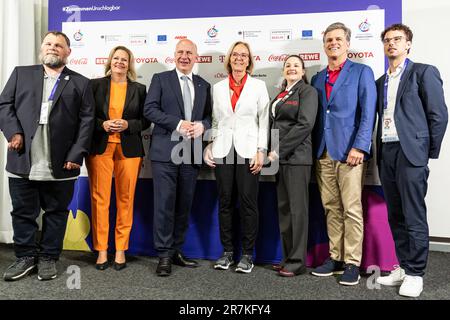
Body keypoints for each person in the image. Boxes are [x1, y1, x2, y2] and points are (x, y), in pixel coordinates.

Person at [0, 31, 94, 281]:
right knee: (22, 212)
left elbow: (87, 122)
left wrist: (76, 153)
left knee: (56, 212)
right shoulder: (22, 73)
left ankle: (49, 258)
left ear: (68, 52)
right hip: (23, 158)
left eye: (59, 45)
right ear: (42, 48)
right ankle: (25, 257)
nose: (53, 48)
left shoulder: (81, 83)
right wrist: (14, 133)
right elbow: (4, 106)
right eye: (49, 44)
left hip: (63, 162)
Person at [374, 24, 448, 297]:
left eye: (397, 39)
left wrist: (425, 151)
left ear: (408, 45)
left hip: (411, 153)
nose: (391, 44)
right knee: (395, 214)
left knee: (414, 214)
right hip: (387, 151)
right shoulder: (380, 81)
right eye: (387, 40)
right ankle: (404, 267)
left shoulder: (423, 72)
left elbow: (439, 115)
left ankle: (416, 273)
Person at [310, 22, 377, 285]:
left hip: (350, 152)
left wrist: (360, 146)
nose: (333, 43)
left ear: (348, 43)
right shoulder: (317, 78)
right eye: (328, 40)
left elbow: (368, 112)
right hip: (323, 151)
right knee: (331, 207)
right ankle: (335, 257)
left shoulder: (362, 72)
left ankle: (352, 262)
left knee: (351, 208)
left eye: (338, 39)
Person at [144, 39, 212, 276]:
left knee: (184, 206)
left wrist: (203, 126)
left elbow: (209, 117)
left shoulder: (204, 85)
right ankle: (163, 255)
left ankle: (175, 250)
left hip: (192, 154)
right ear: (174, 55)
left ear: (196, 57)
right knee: (164, 205)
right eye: (181, 52)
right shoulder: (160, 79)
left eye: (189, 53)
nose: (185, 56)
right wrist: (178, 123)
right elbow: (149, 110)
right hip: (165, 153)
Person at [204, 41, 269, 274]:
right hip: (223, 150)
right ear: (229, 59)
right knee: (225, 202)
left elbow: (264, 121)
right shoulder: (218, 87)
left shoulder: (259, 86)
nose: (239, 58)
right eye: (235, 55)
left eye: (244, 55)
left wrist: (261, 150)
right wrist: (210, 143)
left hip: (249, 152)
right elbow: (214, 120)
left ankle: (248, 254)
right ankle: (228, 252)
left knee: (249, 203)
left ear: (249, 60)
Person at [87, 46, 150, 271]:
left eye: (124, 59)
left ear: (129, 64)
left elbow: (145, 121)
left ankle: (121, 249)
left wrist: (128, 124)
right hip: (100, 148)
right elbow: (86, 117)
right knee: (100, 199)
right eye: (116, 58)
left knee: (126, 199)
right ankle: (102, 250)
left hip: (129, 150)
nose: (120, 62)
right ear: (110, 61)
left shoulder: (139, 89)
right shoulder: (94, 85)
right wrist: (102, 124)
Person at [267, 55, 318, 277]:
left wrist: (279, 150)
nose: (291, 68)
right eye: (288, 65)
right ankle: (288, 258)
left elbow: (305, 124)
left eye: (296, 65)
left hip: (297, 157)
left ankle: (298, 262)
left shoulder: (307, 92)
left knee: (298, 211)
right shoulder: (281, 94)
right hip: (280, 159)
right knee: (285, 209)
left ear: (303, 70)